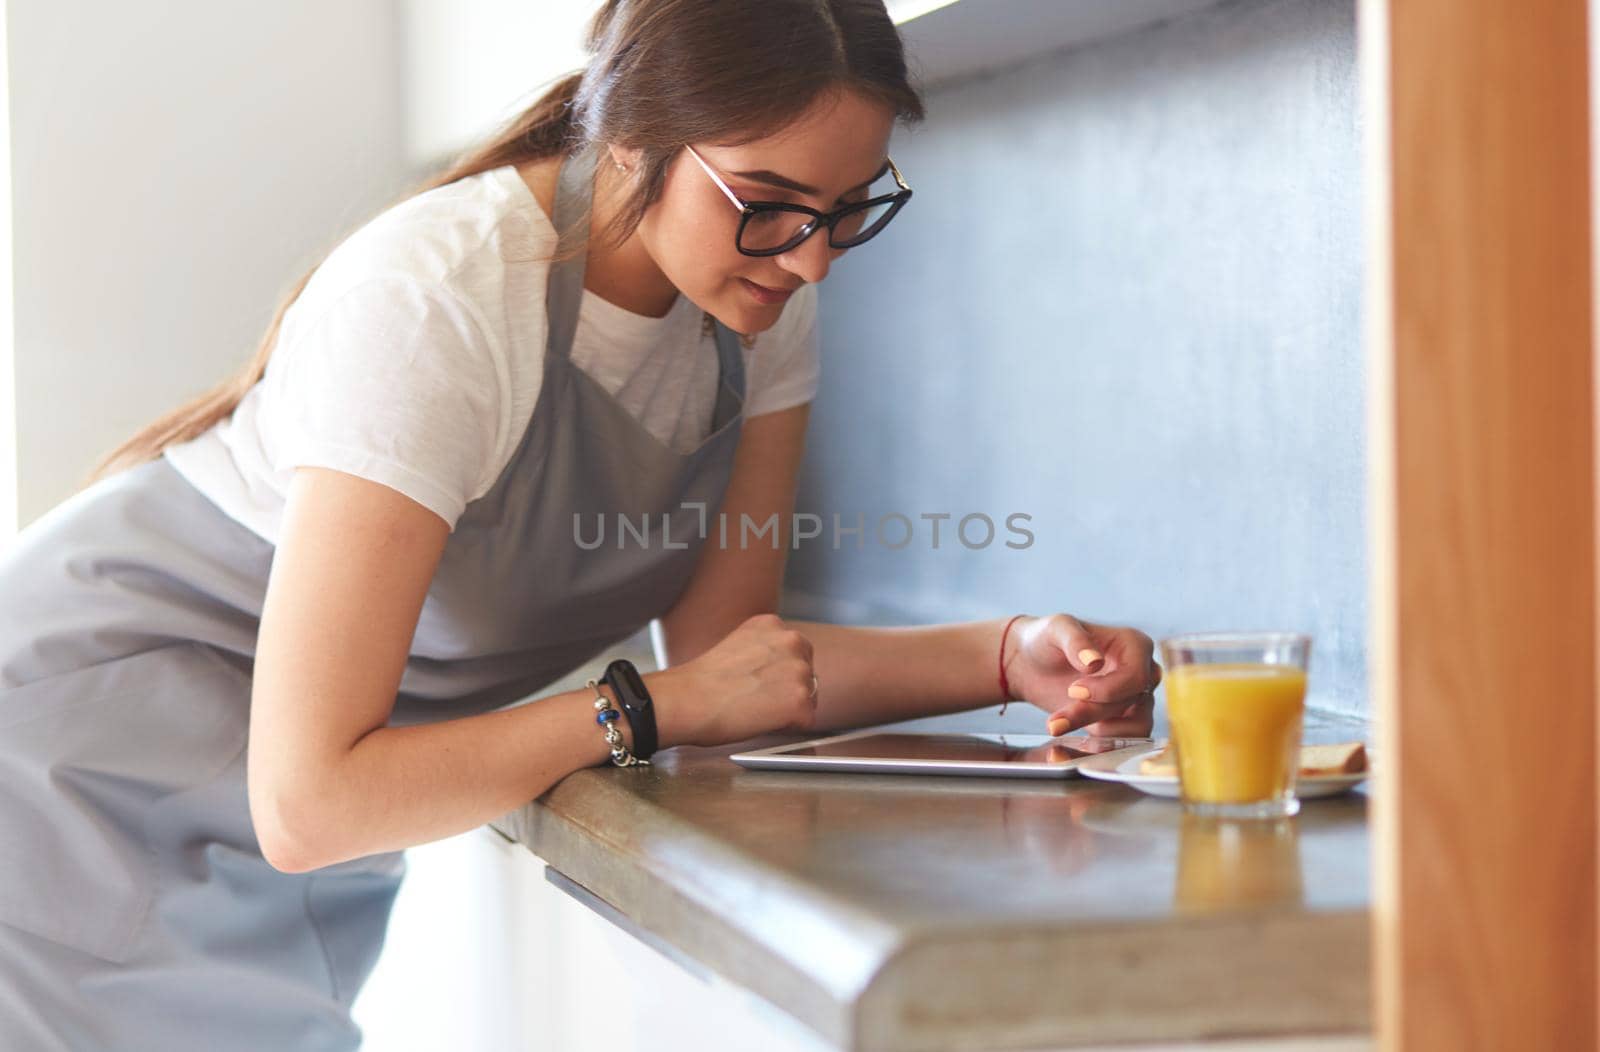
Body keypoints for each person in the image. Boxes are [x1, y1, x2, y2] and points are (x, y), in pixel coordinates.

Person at [0, 1, 1161, 1048]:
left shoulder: (756, 308)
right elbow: (311, 802)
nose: (810, 257)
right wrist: (639, 710)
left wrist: (1007, 655)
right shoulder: (441, 301)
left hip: (281, 805)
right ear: (634, 141)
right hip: (75, 778)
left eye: (847, 208)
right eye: (769, 205)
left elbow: (728, 667)